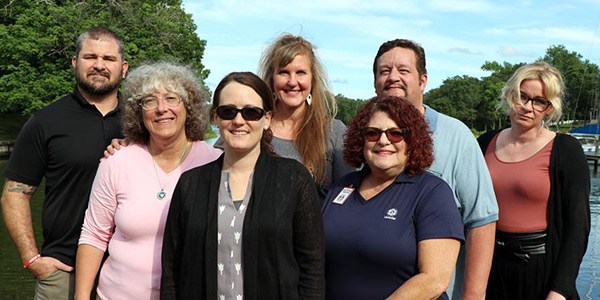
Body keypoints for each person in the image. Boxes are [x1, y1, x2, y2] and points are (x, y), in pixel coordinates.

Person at [160, 72, 325, 299]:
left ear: (267, 118)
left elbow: (313, 269)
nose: (239, 120)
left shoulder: (293, 180)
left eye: (251, 112)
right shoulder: (190, 184)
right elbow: (171, 269)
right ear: (215, 118)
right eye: (228, 111)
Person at [75, 62, 221, 300]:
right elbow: (93, 235)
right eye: (150, 101)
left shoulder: (215, 163)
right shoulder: (116, 162)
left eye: (172, 98)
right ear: (138, 112)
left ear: (189, 106)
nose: (161, 109)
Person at [0, 26, 128, 300]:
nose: (99, 65)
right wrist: (32, 260)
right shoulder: (45, 122)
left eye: (109, 59)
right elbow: (14, 196)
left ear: (124, 67)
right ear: (74, 62)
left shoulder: (143, 122)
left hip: (129, 273)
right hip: (63, 271)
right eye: (90, 56)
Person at [372, 38, 499, 299]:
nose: (393, 77)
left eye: (403, 70)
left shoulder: (456, 136)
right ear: (375, 82)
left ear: (423, 80)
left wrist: (474, 295)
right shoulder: (369, 139)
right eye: (384, 71)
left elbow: (482, 219)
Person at [323, 96, 464, 299]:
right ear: (360, 139)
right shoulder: (342, 186)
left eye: (395, 134)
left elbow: (434, 279)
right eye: (372, 133)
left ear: (412, 141)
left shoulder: (432, 193)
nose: (383, 140)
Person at [477, 61, 590, 300]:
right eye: (522, 96)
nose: (528, 107)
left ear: (549, 108)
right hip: (488, 266)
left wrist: (560, 289)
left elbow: (578, 227)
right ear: (510, 95)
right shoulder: (484, 143)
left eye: (539, 101)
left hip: (541, 271)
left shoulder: (565, 150)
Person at [258, 33, 354, 197]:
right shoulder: (252, 126)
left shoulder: (334, 132)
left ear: (312, 80)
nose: (292, 82)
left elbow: (348, 197)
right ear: (271, 78)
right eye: (284, 72)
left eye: (301, 72)